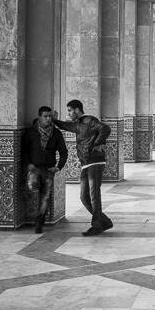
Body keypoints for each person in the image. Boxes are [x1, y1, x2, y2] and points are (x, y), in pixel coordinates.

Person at [52, 99, 113, 236]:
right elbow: (65, 126)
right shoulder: (77, 124)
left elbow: (105, 128)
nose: (69, 113)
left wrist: (96, 144)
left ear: (77, 110)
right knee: (84, 197)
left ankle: (97, 225)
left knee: (94, 195)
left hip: (95, 162)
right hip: (85, 163)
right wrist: (54, 120)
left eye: (69, 110)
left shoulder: (89, 120)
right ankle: (105, 221)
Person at [22, 106, 68, 233]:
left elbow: (64, 152)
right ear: (39, 117)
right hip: (34, 168)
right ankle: (34, 215)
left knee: (45, 197)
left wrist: (58, 167)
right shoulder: (31, 132)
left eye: (50, 116)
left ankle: (39, 221)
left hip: (48, 170)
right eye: (45, 116)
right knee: (32, 189)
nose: (48, 119)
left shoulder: (56, 134)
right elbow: (24, 150)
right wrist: (28, 164)